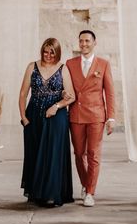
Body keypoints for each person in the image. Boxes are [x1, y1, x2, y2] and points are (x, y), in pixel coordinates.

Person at [19, 38, 75, 206]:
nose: (49, 55)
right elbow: (23, 94)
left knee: (52, 155)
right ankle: (35, 192)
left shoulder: (63, 69)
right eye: (46, 51)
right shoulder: (32, 67)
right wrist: (23, 117)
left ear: (57, 53)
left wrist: (56, 106)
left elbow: (71, 96)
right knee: (34, 153)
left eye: (52, 52)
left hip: (55, 117)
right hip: (33, 115)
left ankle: (51, 193)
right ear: (42, 50)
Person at [65, 30, 115, 207]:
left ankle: (90, 192)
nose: (84, 44)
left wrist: (111, 118)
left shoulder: (103, 64)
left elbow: (109, 92)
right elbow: (66, 88)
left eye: (87, 41)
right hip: (76, 115)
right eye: (81, 41)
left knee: (93, 154)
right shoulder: (69, 64)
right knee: (79, 154)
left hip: (96, 115)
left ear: (95, 43)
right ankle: (86, 184)